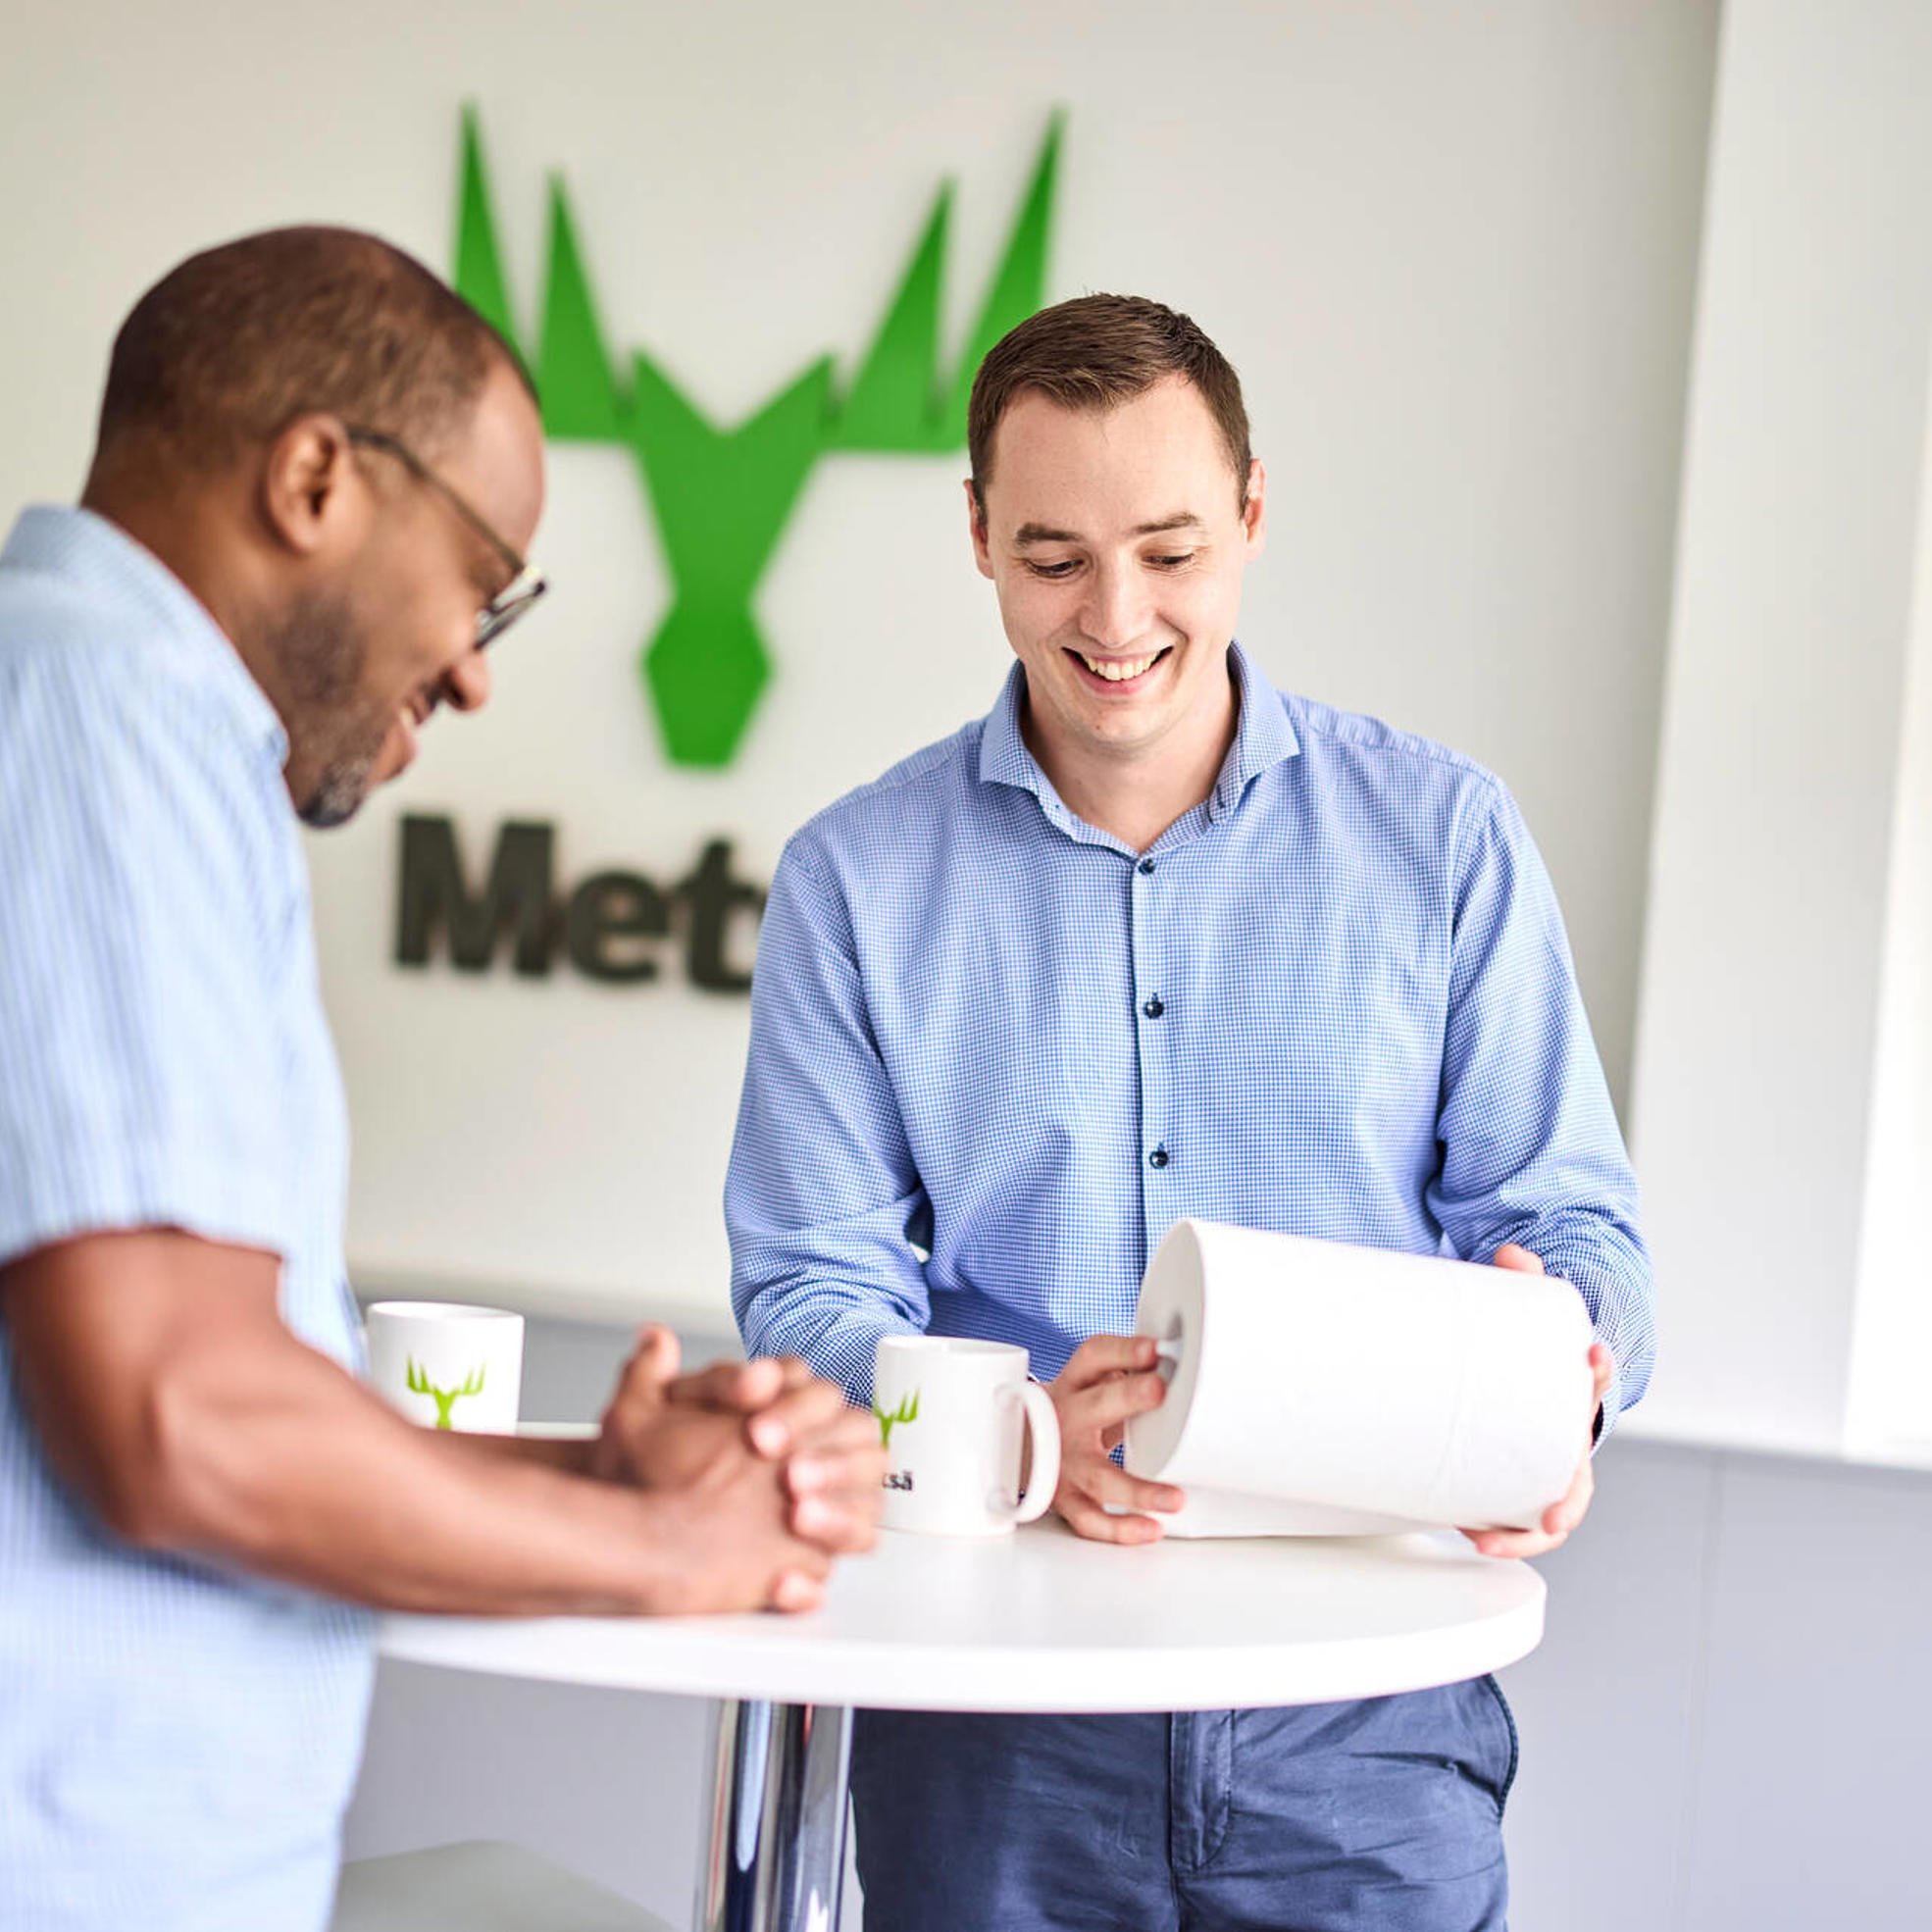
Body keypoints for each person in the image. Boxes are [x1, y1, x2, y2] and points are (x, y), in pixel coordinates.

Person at [726, 293, 1655, 1930]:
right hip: (990, 1709)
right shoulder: (851, 883)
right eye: (1053, 556)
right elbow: (808, 1291)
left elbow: (1572, 1227)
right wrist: (1015, 1436)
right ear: (977, 535)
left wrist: (1557, 1386)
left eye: (1167, 550)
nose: (1115, 615)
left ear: (1250, 511)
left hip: (1365, 1715)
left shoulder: (1444, 839)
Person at [0, 228, 885, 1932]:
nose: (476, 665)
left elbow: (212, 1378)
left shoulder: (123, 727)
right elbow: (177, 1417)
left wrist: (593, 1484)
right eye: (486, 579)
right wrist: (663, 1552)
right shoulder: (95, 704)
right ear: (315, 480)